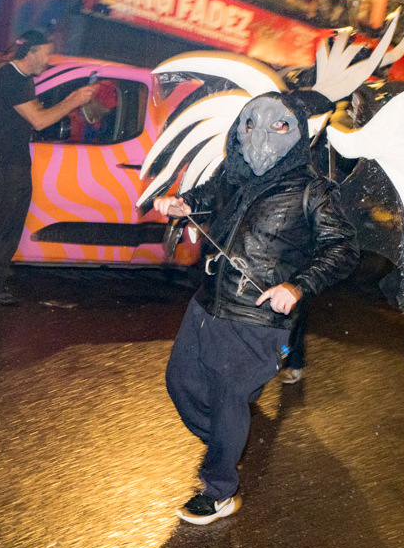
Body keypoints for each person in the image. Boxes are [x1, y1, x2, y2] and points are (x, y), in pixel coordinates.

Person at [153, 90, 359, 525]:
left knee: (228, 396)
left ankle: (219, 489)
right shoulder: (235, 173)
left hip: (260, 316)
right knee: (180, 381)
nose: (260, 135)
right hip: (208, 301)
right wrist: (179, 204)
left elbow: (343, 247)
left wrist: (299, 287)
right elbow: (203, 197)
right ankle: (229, 439)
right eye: (250, 124)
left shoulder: (312, 190)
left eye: (278, 125)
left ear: (298, 133)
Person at [0, 31, 96, 306]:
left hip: (17, 161)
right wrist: (72, 100)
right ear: (31, 53)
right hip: (0, 162)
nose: (48, 59)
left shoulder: (24, 81)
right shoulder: (8, 77)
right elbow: (38, 120)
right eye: (45, 53)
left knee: (11, 225)